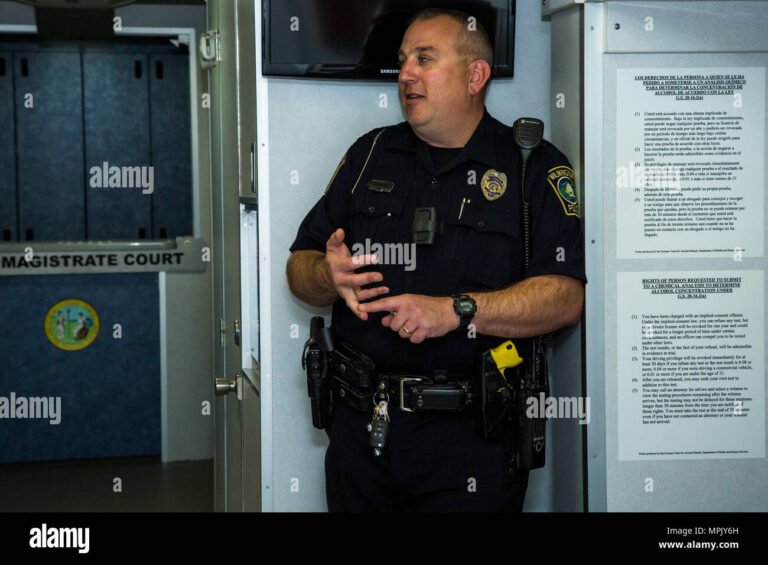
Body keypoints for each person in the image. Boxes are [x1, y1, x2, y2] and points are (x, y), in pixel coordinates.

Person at [287, 8, 585, 512]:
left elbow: (564, 297)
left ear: (475, 76)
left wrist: (457, 310)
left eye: (425, 59)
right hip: (363, 436)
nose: (406, 74)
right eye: (404, 61)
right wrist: (325, 274)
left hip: (474, 445)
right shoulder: (369, 155)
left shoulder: (531, 166)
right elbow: (300, 265)